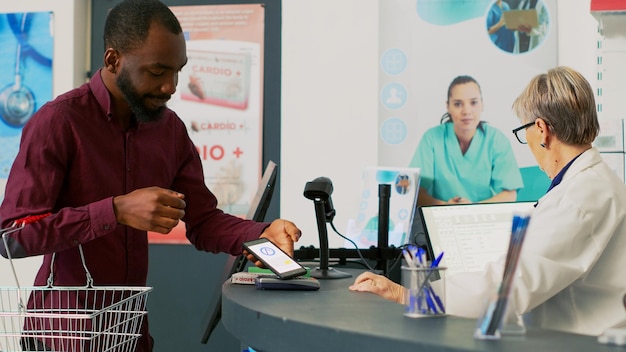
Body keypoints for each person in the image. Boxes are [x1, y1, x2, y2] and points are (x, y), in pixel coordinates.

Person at [0, 1, 301, 351]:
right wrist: (114, 210)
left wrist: (261, 233)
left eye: (177, 71)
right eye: (157, 72)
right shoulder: (58, 122)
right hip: (61, 337)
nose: (170, 87)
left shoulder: (170, 130)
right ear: (113, 60)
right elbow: (11, 236)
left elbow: (203, 221)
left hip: (130, 333)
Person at [350, 66, 626, 336]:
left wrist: (406, 294)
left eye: (524, 132)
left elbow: (509, 285)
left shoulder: (578, 198)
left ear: (541, 129)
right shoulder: (593, 183)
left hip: (582, 341)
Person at [408, 75, 523, 206]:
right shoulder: (432, 139)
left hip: (483, 218)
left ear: (482, 105)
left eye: (473, 102)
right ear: (448, 107)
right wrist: (445, 206)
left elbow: (509, 194)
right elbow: (415, 192)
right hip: (438, 218)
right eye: (458, 104)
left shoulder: (496, 140)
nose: (466, 111)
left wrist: (473, 208)